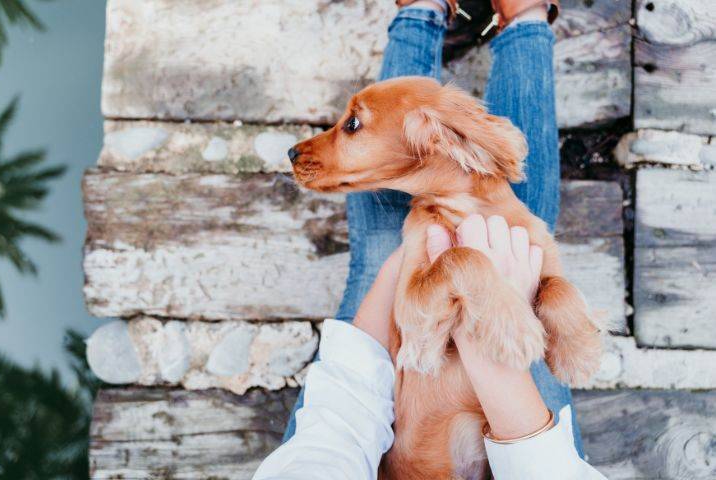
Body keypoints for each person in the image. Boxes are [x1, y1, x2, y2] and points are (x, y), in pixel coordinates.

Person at [259, 0, 599, 477]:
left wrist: (469, 266)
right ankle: (525, 20)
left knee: (384, 255)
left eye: (350, 125)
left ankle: (421, 10)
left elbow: (348, 410)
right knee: (522, 217)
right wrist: (537, 298)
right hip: (523, 435)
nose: (309, 146)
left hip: (371, 425)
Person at [253, 215, 606, 479]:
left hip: (379, 437)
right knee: (518, 222)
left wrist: (409, 255)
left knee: (385, 242)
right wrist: (489, 342)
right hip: (524, 437)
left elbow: (333, 440)